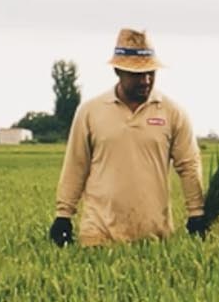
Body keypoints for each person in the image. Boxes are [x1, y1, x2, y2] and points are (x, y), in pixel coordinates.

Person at [49, 28, 208, 247]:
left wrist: (196, 212)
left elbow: (189, 165)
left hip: (153, 235)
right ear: (117, 71)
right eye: (136, 74)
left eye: (150, 72)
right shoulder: (90, 111)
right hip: (98, 233)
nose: (145, 80)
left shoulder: (172, 112)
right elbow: (76, 165)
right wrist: (63, 215)